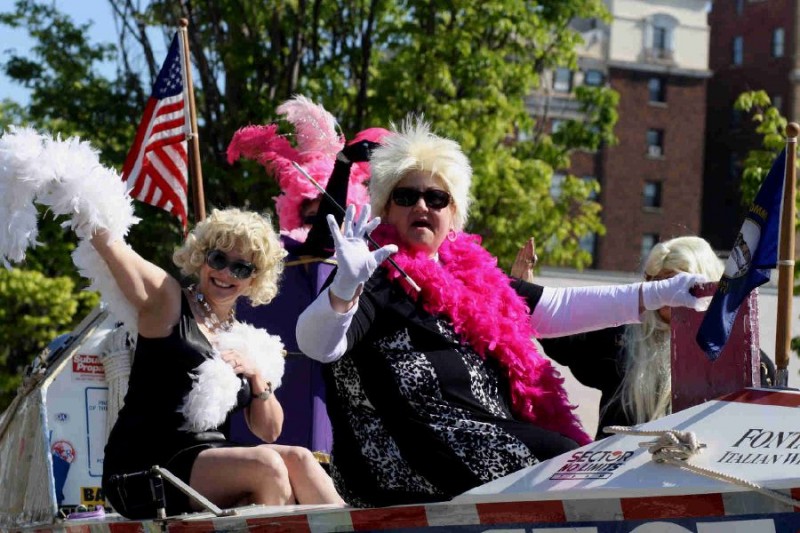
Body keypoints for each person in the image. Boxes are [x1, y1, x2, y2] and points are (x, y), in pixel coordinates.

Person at [295, 117, 709, 507]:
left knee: (581, 460)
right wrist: (343, 290)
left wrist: (661, 293)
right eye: (406, 196)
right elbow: (317, 344)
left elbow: (558, 307)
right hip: (396, 453)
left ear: (453, 215)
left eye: (436, 197)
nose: (422, 204)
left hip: (482, 435)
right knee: (560, 458)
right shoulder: (375, 273)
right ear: (386, 209)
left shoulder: (474, 277)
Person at [95, 208, 344, 518]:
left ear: (255, 278)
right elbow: (110, 246)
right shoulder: (168, 302)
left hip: (213, 458)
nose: (226, 274)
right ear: (200, 257)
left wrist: (256, 377)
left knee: (300, 458)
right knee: (268, 467)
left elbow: (270, 431)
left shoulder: (246, 340)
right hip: (147, 465)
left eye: (241, 268)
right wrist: (81, 196)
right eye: (218, 260)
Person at [227, 95, 389, 457]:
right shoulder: (280, 251)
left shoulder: (371, 260)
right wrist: (344, 165)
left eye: (332, 214)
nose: (321, 224)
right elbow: (320, 244)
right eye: (310, 214)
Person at [527, 235, 776, 439]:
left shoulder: (746, 360)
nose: (667, 297)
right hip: (620, 482)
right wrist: (525, 297)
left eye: (678, 283)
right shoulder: (623, 338)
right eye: (658, 284)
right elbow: (565, 335)